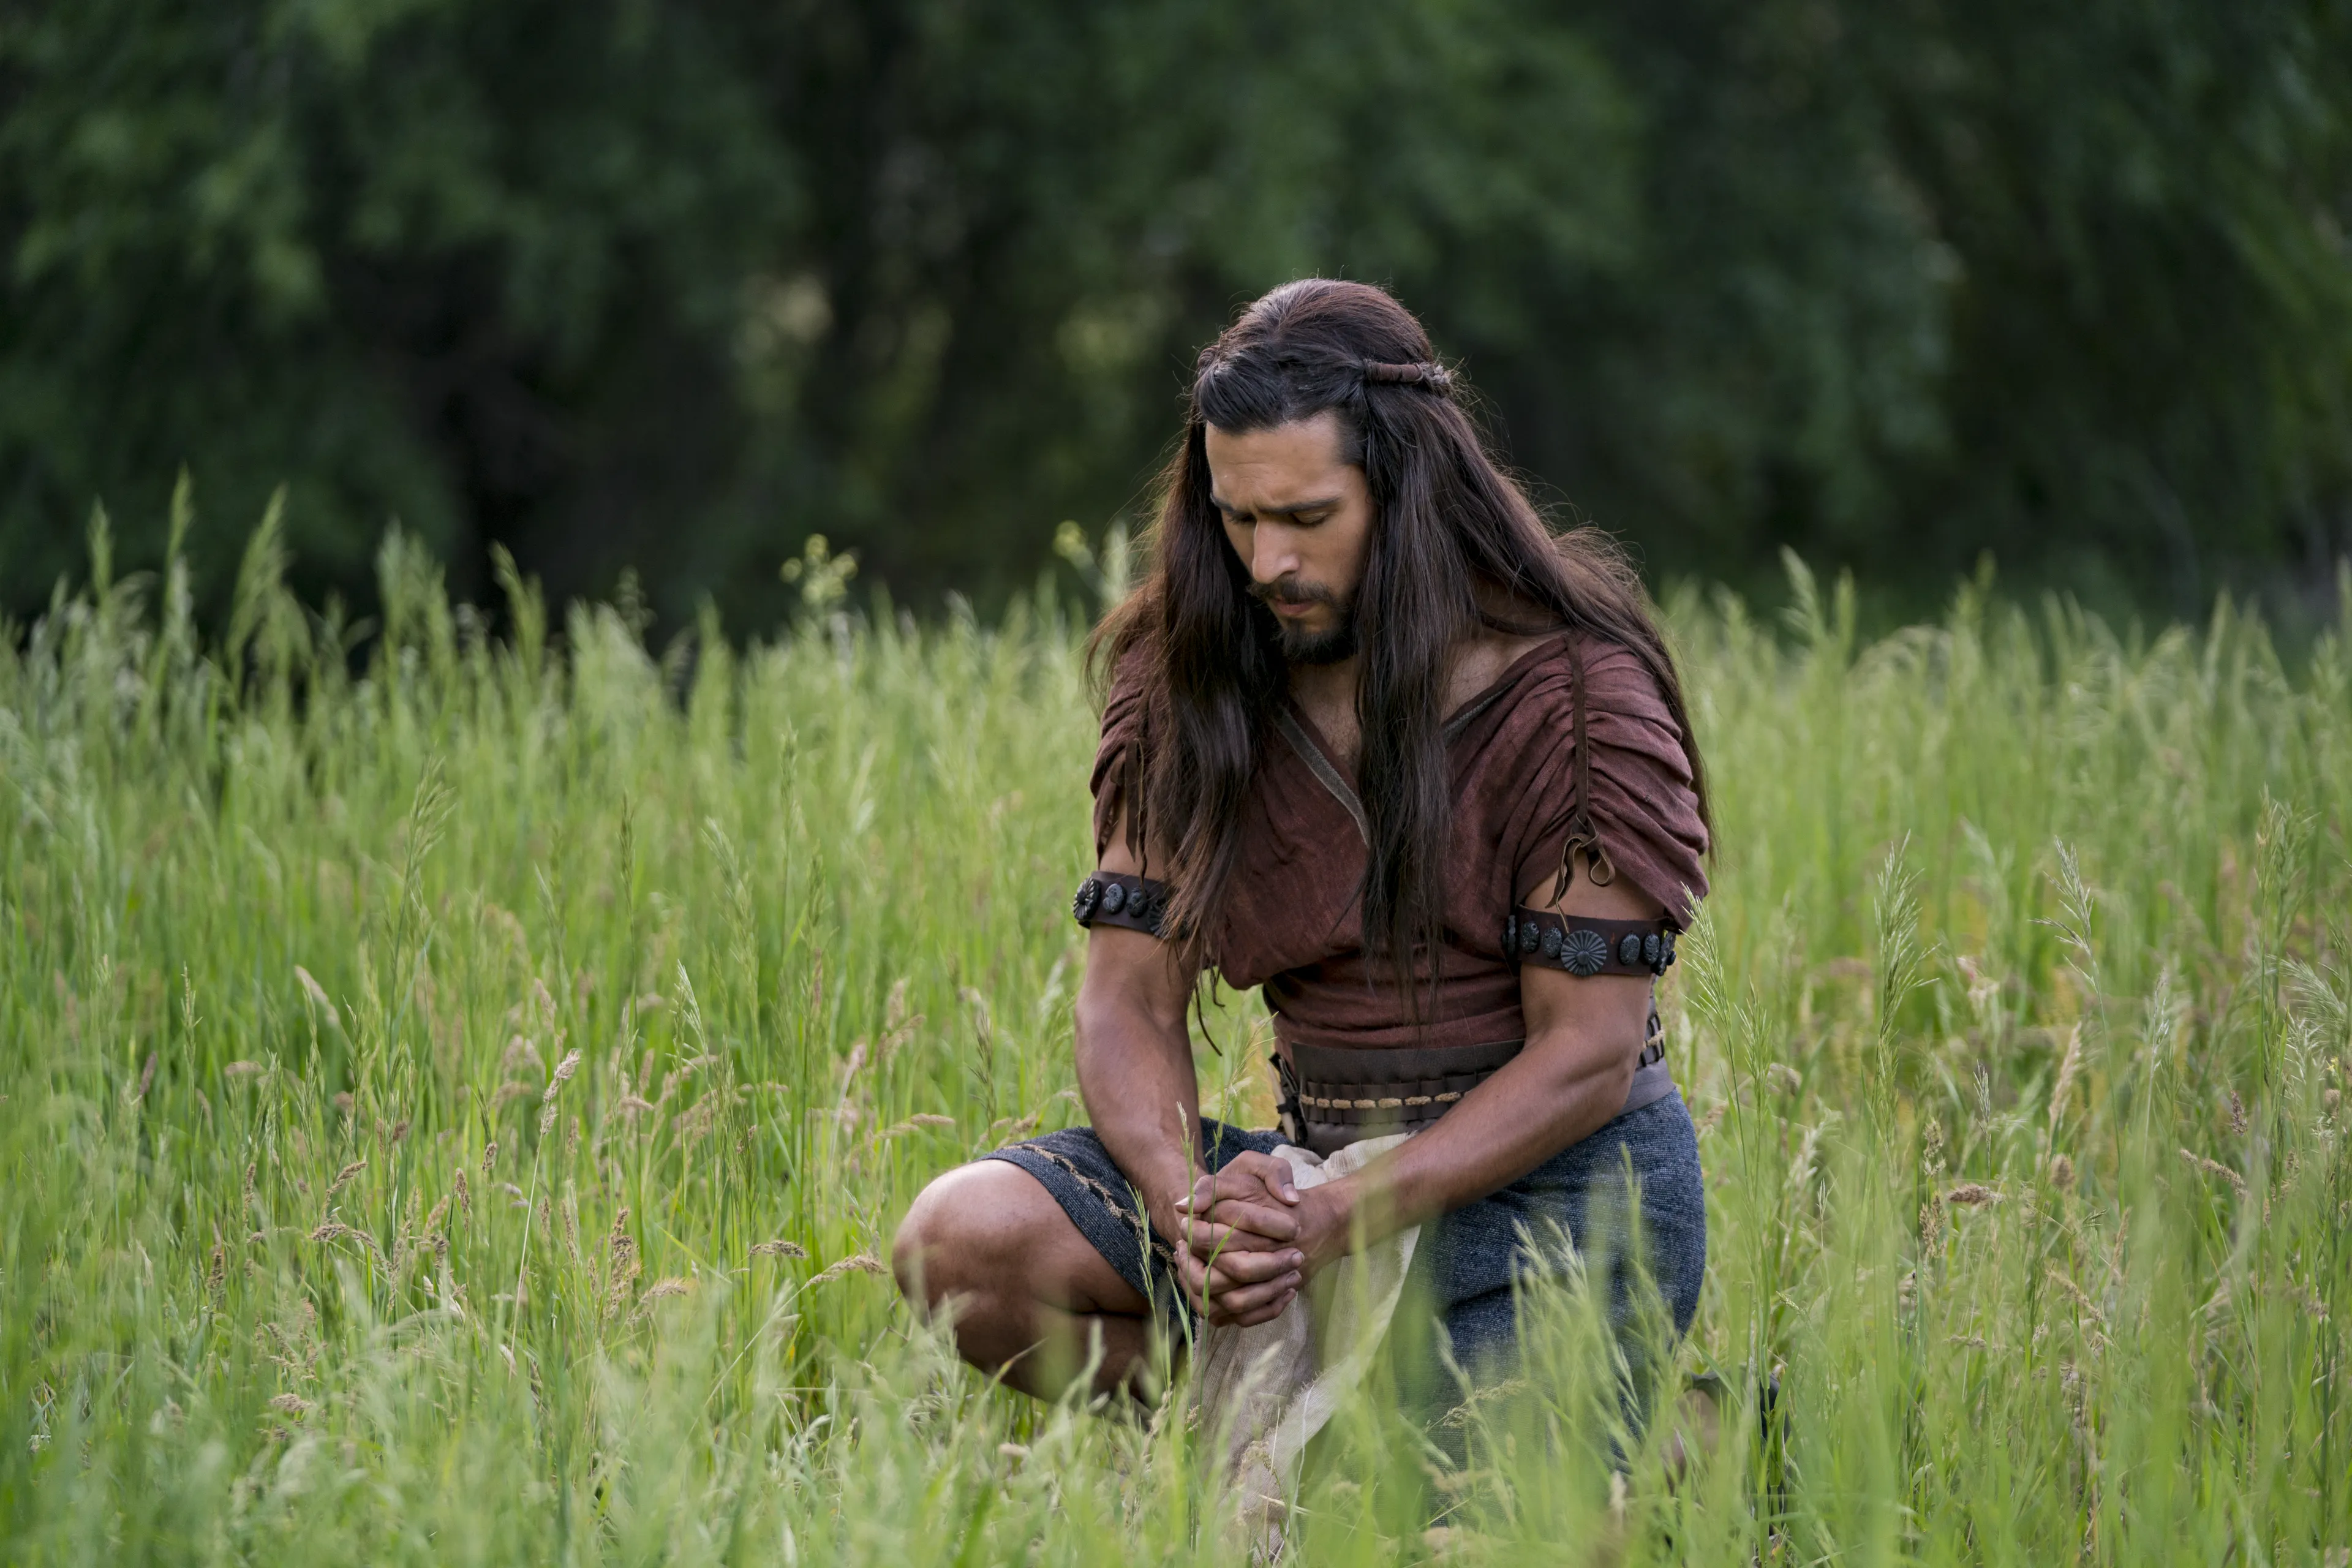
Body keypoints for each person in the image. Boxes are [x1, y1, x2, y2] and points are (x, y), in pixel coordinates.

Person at [891, 279, 1711, 1415]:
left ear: (1407, 490)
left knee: (1418, 1503)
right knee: (961, 1243)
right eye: (1238, 519)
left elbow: (1588, 1054)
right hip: (1308, 1192)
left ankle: (1682, 1439)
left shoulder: (1576, 699)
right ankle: (1281, 1420)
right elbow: (1128, 1002)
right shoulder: (1189, 677)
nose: (1266, 560)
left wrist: (1332, 1220)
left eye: (1308, 518)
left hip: (1555, 1207)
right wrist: (1192, 1213)